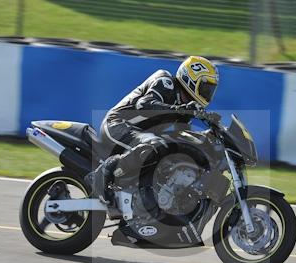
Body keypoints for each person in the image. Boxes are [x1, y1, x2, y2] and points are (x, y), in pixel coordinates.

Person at [86, 56, 219, 205]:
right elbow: (144, 105)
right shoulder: (165, 81)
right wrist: (179, 110)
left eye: (211, 90)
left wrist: (205, 139)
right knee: (154, 144)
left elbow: (179, 135)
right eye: (206, 87)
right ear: (191, 79)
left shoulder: (186, 106)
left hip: (140, 138)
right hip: (116, 125)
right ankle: (103, 173)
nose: (208, 93)